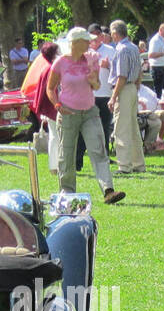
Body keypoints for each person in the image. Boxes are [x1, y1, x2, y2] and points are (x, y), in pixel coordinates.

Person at [46, 27, 125, 203]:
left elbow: (96, 86)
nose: (90, 43)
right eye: (86, 40)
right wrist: (57, 105)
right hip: (67, 112)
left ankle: (108, 191)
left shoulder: (91, 59)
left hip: (90, 111)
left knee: (98, 150)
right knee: (67, 154)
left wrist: (93, 80)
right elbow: (50, 88)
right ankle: (67, 192)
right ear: (75, 43)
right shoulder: (60, 63)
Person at [75, 24, 115, 176]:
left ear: (102, 36)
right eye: (92, 35)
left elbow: (117, 72)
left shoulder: (110, 51)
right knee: (83, 129)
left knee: (104, 128)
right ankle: (78, 161)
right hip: (88, 96)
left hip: (105, 94)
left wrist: (108, 65)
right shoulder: (84, 52)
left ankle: (104, 159)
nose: (96, 38)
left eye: (98, 34)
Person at [109, 19, 145, 175]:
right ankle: (138, 164)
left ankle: (124, 166)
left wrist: (113, 97)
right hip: (132, 89)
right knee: (133, 128)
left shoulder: (122, 49)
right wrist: (136, 86)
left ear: (115, 33)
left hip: (123, 89)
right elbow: (139, 71)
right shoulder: (134, 48)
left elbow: (121, 76)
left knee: (121, 128)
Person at [24, 41, 61, 179]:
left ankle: (55, 165)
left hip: (53, 107)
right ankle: (55, 165)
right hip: (54, 107)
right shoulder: (51, 69)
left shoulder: (49, 68)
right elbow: (49, 90)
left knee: (55, 135)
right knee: (55, 136)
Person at [148, 22, 164, 96]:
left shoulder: (163, 40)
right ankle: (156, 106)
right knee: (158, 92)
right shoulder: (155, 40)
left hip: (163, 68)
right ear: (160, 30)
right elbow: (150, 55)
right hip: (156, 69)